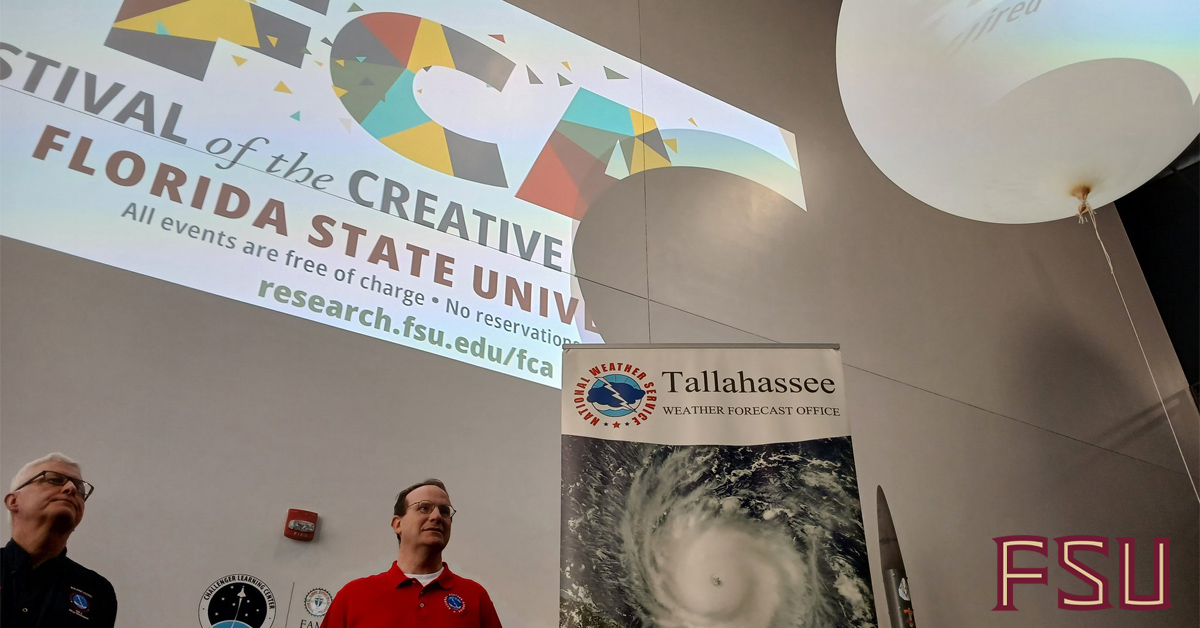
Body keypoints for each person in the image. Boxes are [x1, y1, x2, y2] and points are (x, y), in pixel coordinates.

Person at [321, 478, 502, 627]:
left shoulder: (475, 597)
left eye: (444, 511)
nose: (437, 516)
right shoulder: (353, 596)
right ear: (397, 524)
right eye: (424, 508)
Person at [1, 453, 117, 627]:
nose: (71, 488)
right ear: (13, 501)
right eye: (54, 480)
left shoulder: (97, 591)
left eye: (80, 489)